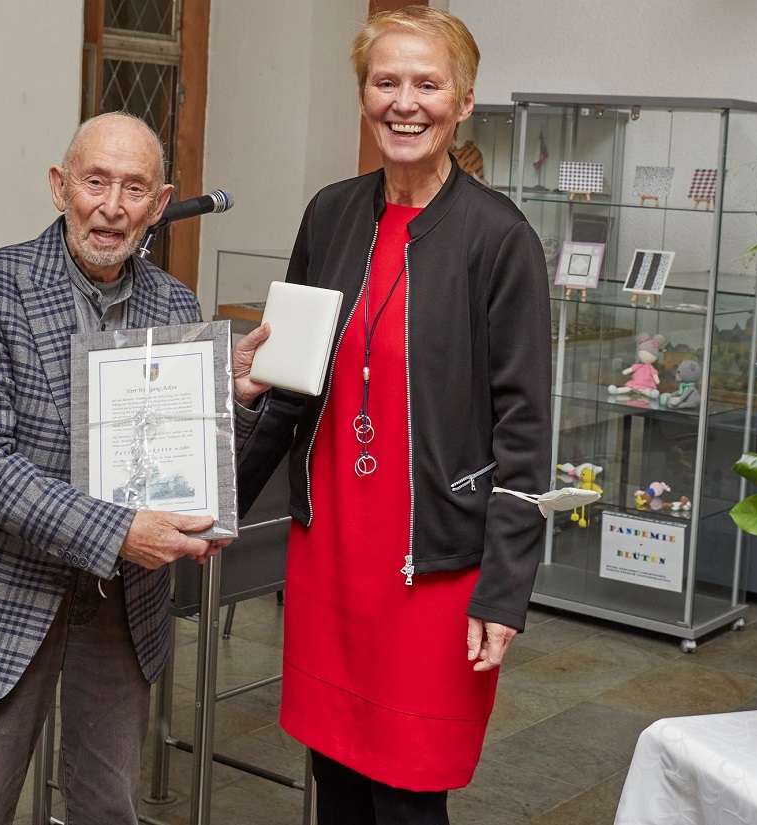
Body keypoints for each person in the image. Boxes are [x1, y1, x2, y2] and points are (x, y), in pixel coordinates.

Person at [231, 7, 551, 823]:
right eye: (386, 82)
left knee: (408, 792)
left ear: (465, 99)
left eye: (427, 83)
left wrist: (504, 591)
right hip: (330, 552)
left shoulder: (500, 238)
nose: (405, 103)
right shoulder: (330, 214)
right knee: (333, 779)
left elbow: (524, 430)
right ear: (364, 95)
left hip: (431, 568)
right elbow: (291, 384)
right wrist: (218, 501)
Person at [0, 111, 222, 825]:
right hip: (5, 584)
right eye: (94, 181)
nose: (111, 206)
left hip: (123, 602)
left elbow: (193, 454)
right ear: (58, 185)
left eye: (135, 188)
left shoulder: (177, 305)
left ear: (160, 205)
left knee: (110, 801)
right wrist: (120, 529)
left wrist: (239, 402)